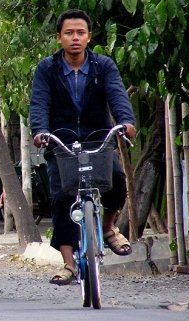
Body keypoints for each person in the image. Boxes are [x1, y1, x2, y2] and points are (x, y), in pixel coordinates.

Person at [29, 9, 137, 285]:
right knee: (61, 197)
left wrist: (125, 121)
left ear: (89, 37)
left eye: (80, 33)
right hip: (61, 141)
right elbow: (39, 103)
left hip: (98, 138)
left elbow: (117, 95)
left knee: (116, 179)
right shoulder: (47, 69)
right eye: (69, 33)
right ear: (59, 38)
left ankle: (110, 228)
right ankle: (68, 264)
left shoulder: (103, 66)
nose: (75, 38)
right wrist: (40, 131)